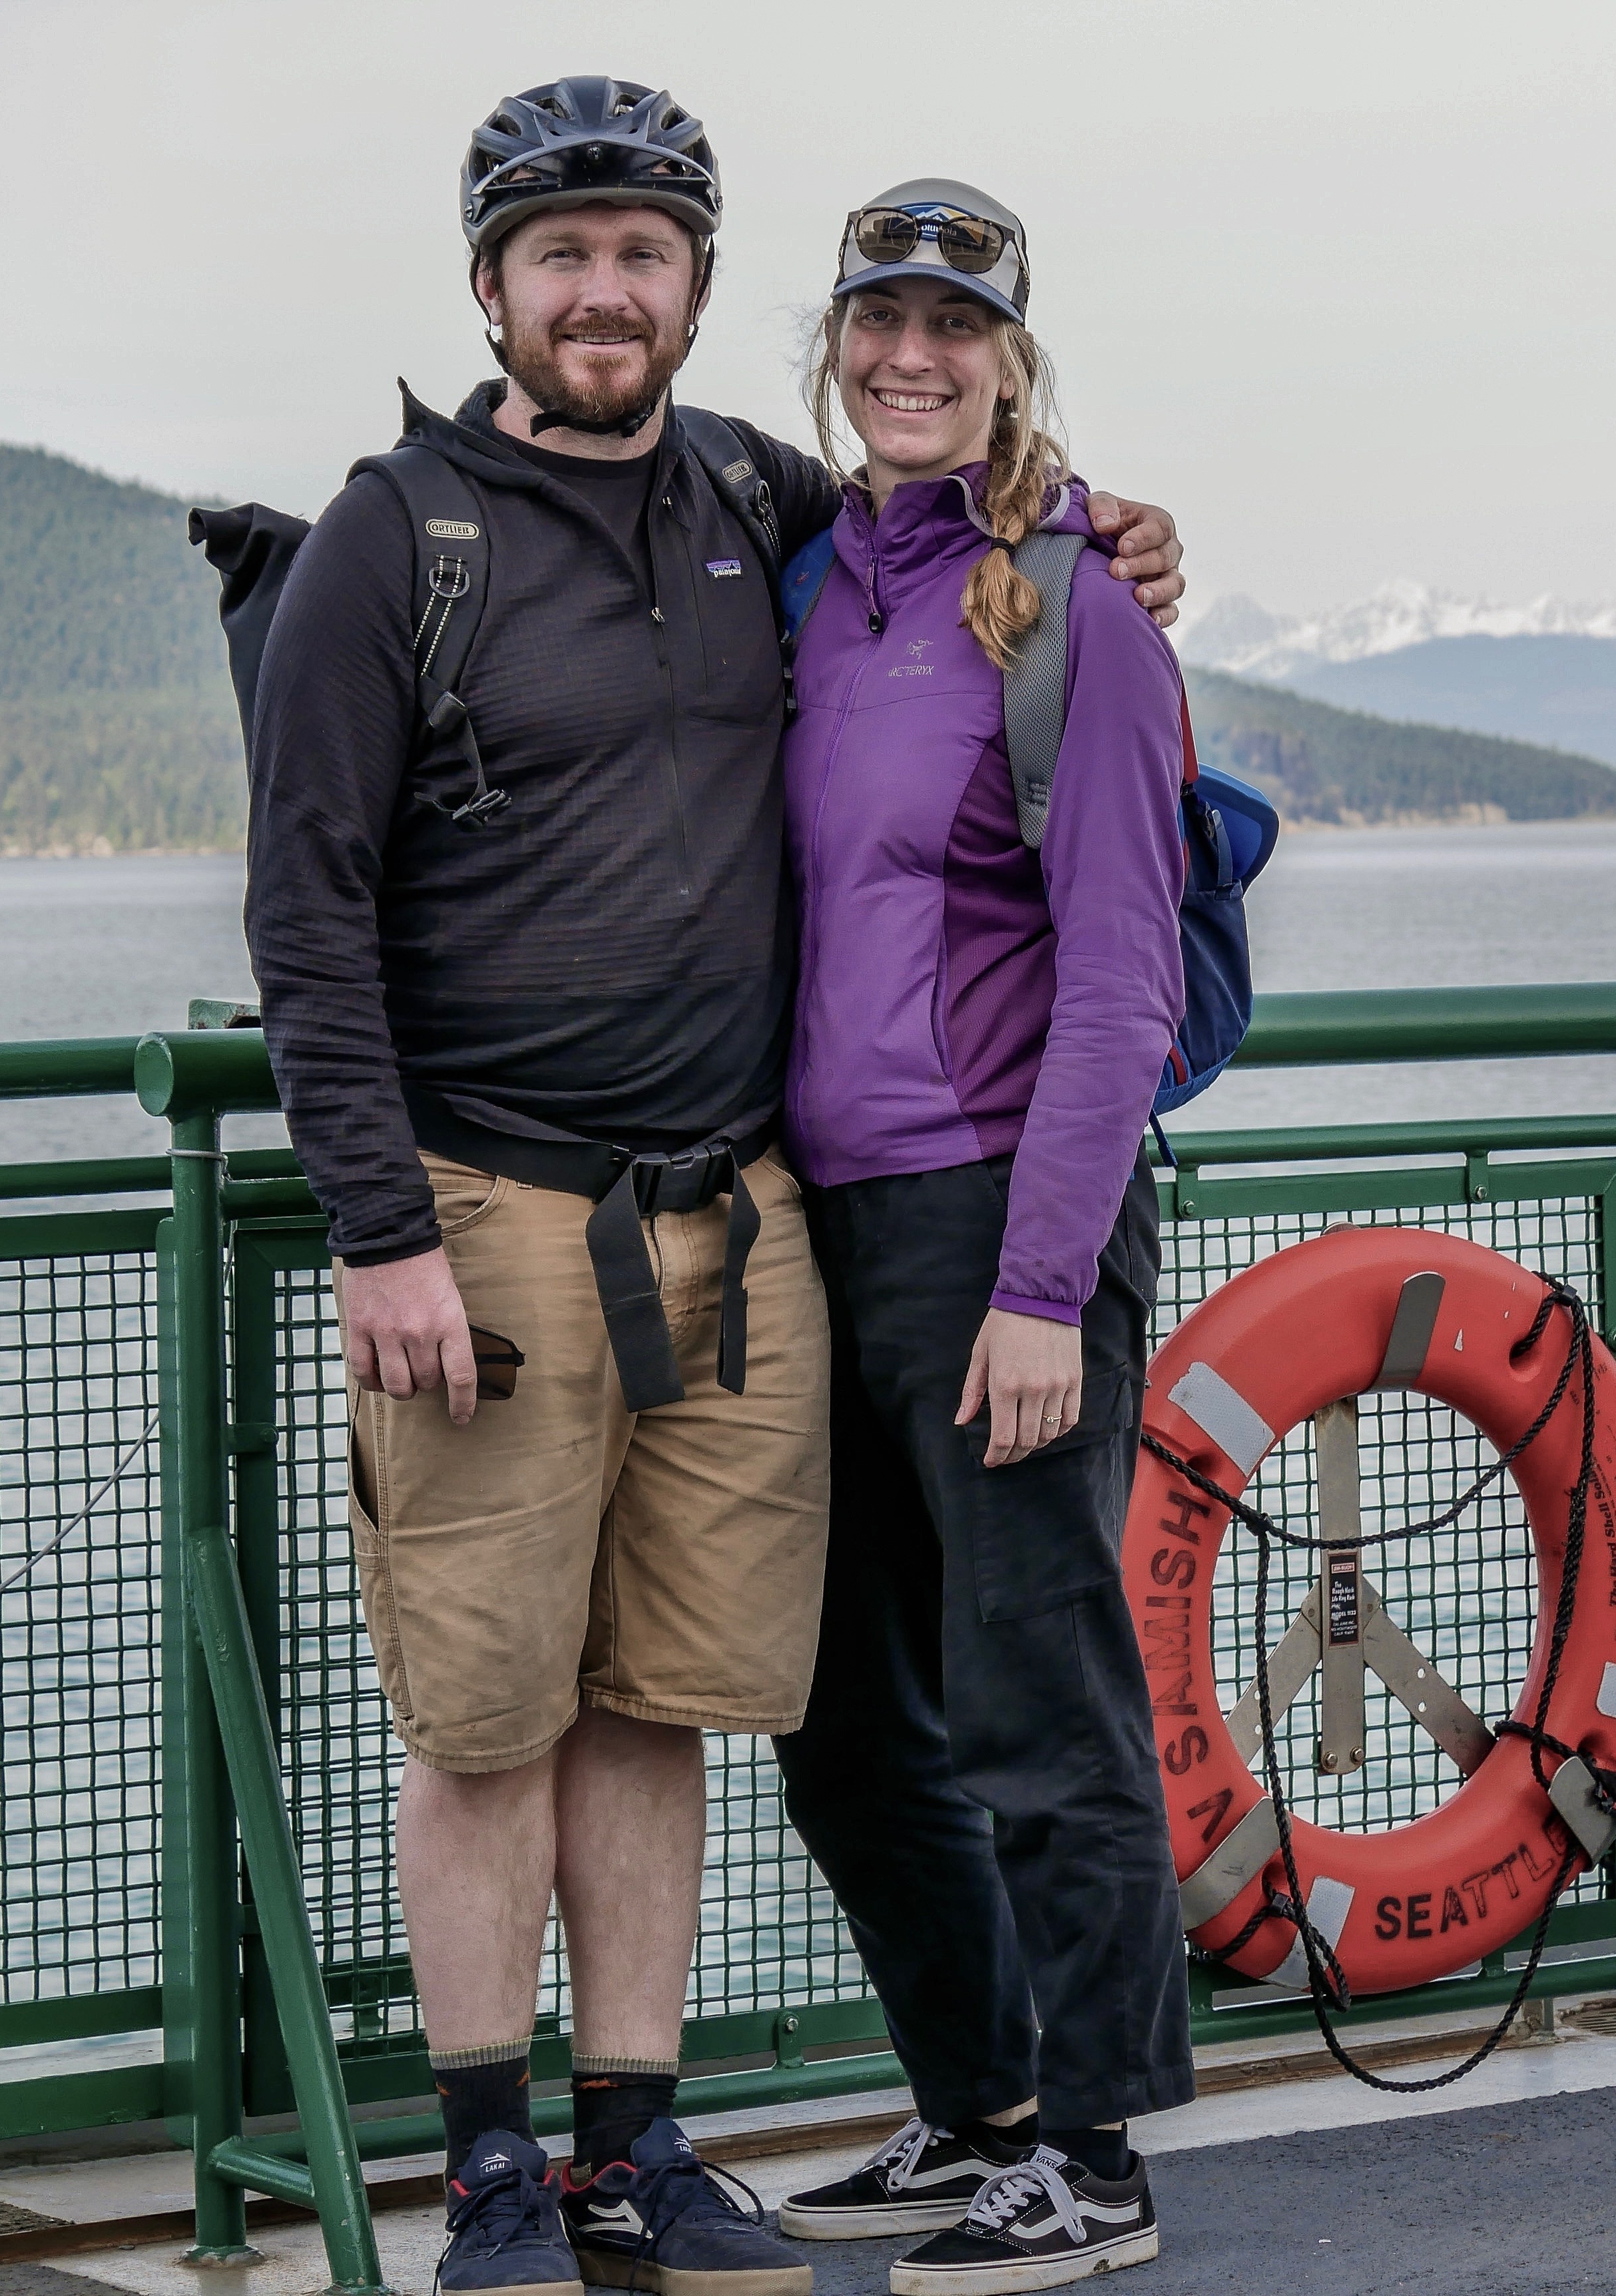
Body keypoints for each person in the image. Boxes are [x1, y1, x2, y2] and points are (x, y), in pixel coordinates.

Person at [242, 85, 1185, 2296]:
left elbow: (1117, 948)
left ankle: (1026, 2153)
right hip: (638, 1222)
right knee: (689, 1716)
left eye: (641, 253)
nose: (601, 290)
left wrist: (1114, 545)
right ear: (493, 287)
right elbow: (309, 906)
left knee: (901, 1698)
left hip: (883, 1231)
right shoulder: (539, 536)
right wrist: (378, 1221)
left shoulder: (915, 560)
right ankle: (751, 2139)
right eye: (561, 253)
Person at [764, 182, 1195, 2294]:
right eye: (879, 320)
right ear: (835, 344)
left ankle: (1100, 2156)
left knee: (1038, 1700)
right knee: (839, 1713)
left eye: (956, 327)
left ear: (1014, 359)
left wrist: (1043, 1286)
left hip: (1007, 1217)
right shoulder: (815, 586)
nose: (911, 356)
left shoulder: (1077, 611)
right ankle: (978, 2106)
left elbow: (1119, 982)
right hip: (816, 1220)